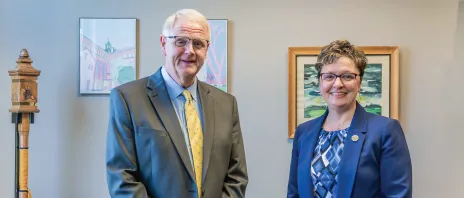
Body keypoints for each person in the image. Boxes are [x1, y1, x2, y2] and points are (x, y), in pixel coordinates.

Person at [106, 9, 248, 198]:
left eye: (198, 43)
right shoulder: (127, 99)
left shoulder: (226, 104)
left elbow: (236, 176)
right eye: (181, 41)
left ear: (206, 49)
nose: (190, 51)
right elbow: (122, 179)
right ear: (164, 44)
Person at [287, 40, 412, 198]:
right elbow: (294, 193)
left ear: (359, 82)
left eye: (347, 76)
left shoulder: (385, 130)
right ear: (320, 82)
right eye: (329, 76)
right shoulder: (304, 132)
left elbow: (397, 195)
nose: (337, 84)